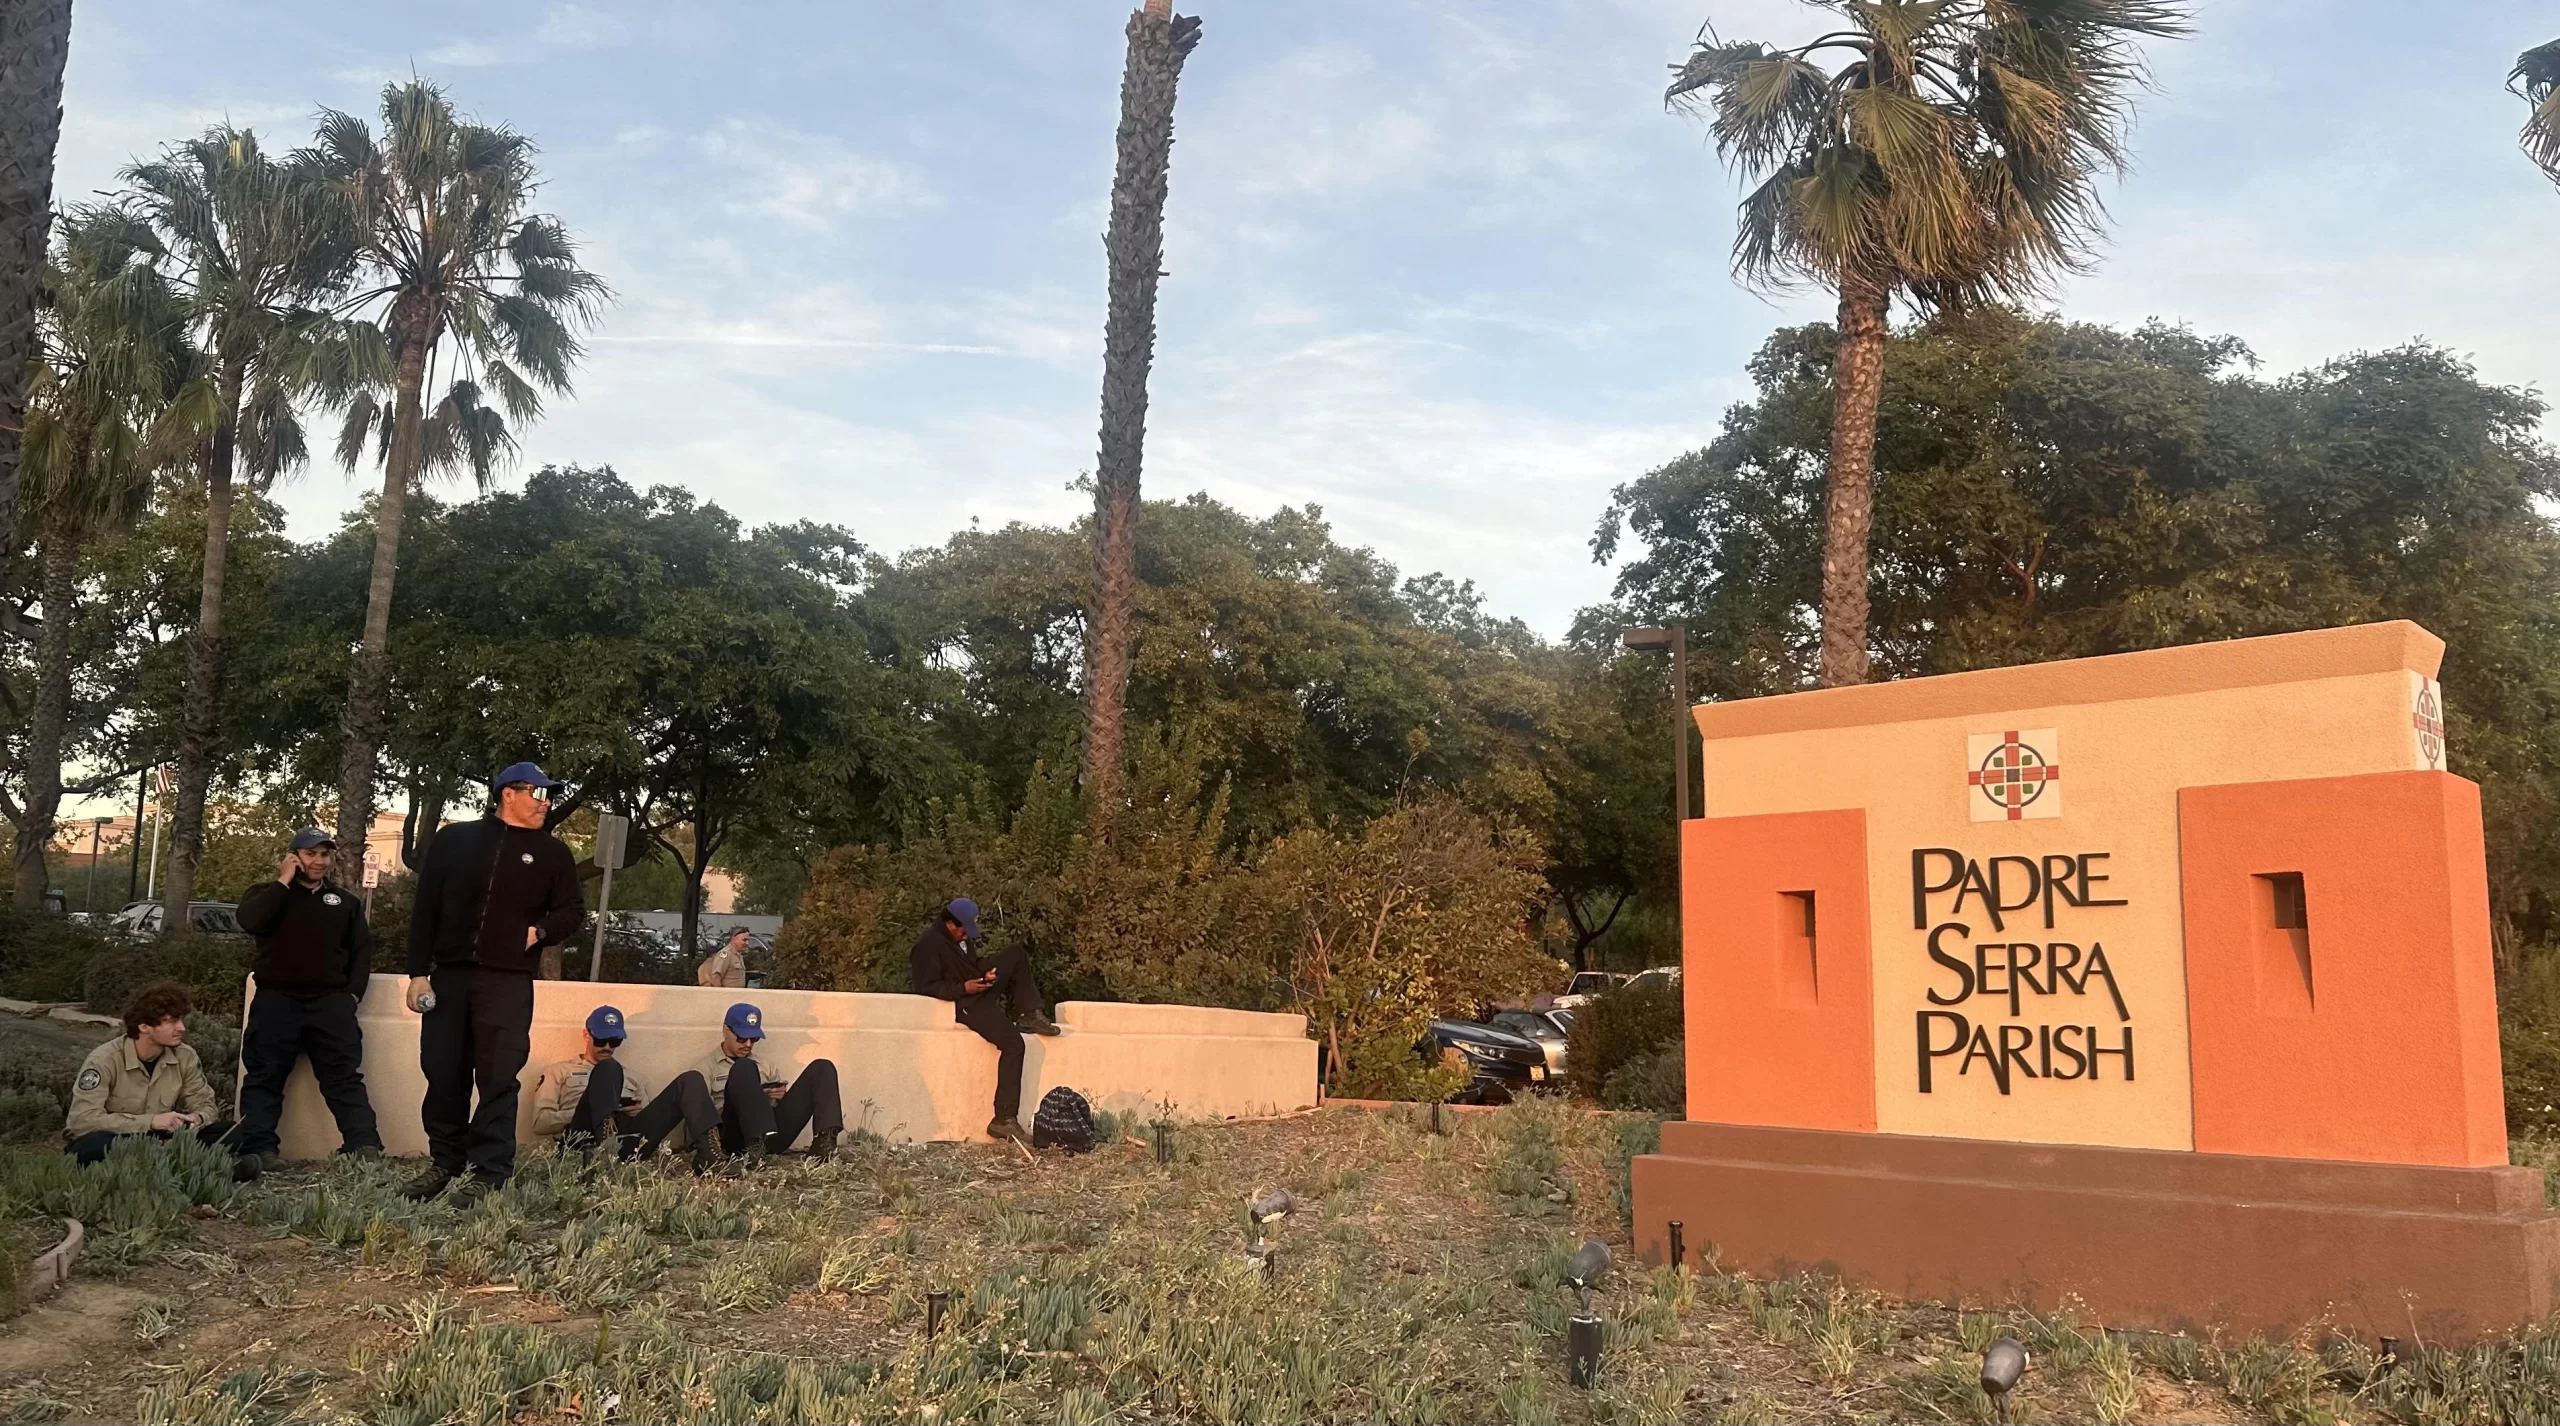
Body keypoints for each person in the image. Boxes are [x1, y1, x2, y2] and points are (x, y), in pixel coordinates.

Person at [401, 762, 587, 1204]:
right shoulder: (455, 841)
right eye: (538, 794)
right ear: (508, 793)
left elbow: (572, 912)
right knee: (443, 1073)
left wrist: (537, 932)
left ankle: (490, 1173)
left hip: (508, 982)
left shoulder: (553, 853)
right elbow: (425, 909)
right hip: (449, 979)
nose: (546, 803)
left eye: (548, 796)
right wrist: (416, 974)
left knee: (498, 1078)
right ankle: (445, 1163)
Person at [232, 827, 383, 1172]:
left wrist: (352, 996)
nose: (319, 861)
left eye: (324, 854)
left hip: (329, 1004)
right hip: (276, 1001)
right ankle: (259, 1150)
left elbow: (362, 952)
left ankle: (364, 1147)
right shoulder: (267, 895)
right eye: (311, 854)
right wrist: (283, 882)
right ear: (293, 857)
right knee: (264, 1076)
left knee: (343, 1077)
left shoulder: (345, 903)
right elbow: (250, 921)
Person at [65, 980, 259, 1179]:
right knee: (93, 1145)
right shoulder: (104, 1060)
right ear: (144, 1026)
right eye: (172, 1021)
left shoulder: (185, 1056)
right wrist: (152, 1121)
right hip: (120, 1139)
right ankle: (204, 1170)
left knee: (233, 1132)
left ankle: (162, 1168)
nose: (182, 1027)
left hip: (163, 1140)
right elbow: (82, 1121)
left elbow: (205, 1104)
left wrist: (197, 1119)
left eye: (181, 1020)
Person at [909, 897, 1060, 1143]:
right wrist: (963, 988)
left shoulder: (960, 939)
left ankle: (1029, 1013)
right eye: (963, 931)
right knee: (1014, 1044)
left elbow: (971, 963)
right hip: (965, 1004)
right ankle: (1003, 1119)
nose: (966, 936)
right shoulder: (927, 945)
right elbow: (926, 988)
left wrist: (984, 973)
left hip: (976, 989)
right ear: (950, 923)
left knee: (1016, 955)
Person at [532, 1005, 718, 1170]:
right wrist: (597, 1109)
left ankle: (712, 1158)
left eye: (614, 1042)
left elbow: (648, 1120)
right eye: (600, 1040)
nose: (607, 1047)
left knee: (691, 1079)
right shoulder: (559, 1071)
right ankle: (606, 1148)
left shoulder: (634, 1076)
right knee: (607, 1067)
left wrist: (635, 1112)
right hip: (586, 1138)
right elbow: (540, 1122)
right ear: (586, 1035)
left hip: (629, 1139)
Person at [696, 1002, 841, 1162]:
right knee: (743, 1066)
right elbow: (702, 1117)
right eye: (742, 1038)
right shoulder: (705, 1068)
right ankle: (754, 1146)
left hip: (772, 1136)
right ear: (725, 1031)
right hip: (734, 1136)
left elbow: (781, 1112)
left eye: (754, 1038)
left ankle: (824, 1144)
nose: (748, 1045)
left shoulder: (766, 1065)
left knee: (822, 1067)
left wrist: (779, 1097)